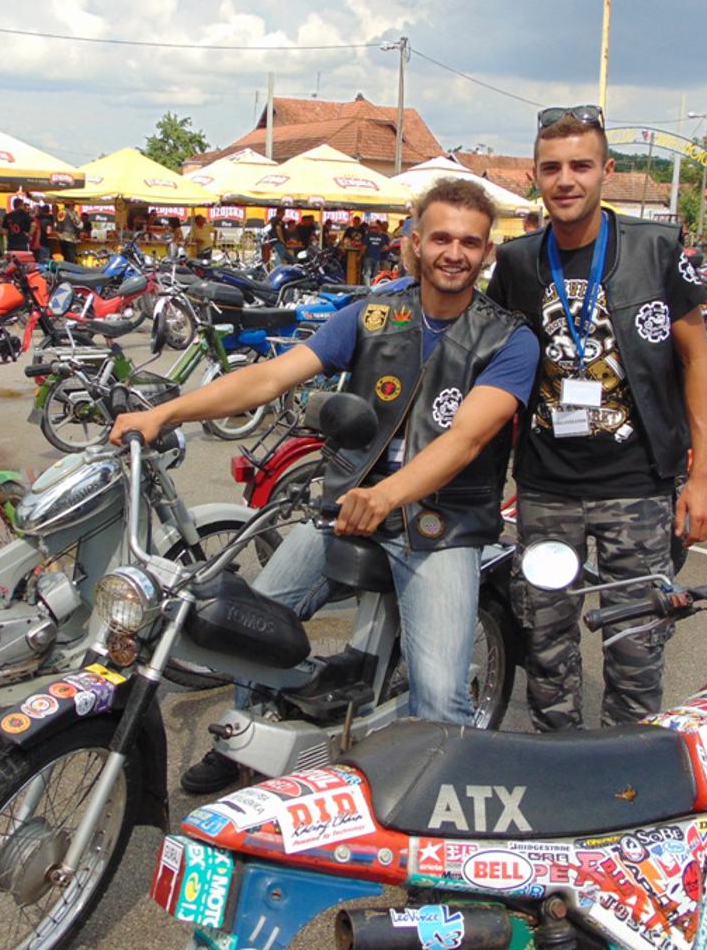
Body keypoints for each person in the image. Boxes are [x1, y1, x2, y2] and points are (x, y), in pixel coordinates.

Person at [111, 177, 540, 792]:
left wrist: (387, 495)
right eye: (441, 238)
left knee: (441, 699)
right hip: (347, 510)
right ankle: (244, 738)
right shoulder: (373, 315)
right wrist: (166, 413)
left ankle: (433, 813)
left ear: (488, 251)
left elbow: (466, 440)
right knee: (247, 627)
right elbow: (271, 376)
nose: (454, 253)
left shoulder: (509, 338)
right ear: (415, 242)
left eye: (470, 242)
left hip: (440, 525)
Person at [486, 104, 707, 732]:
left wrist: (704, 476)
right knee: (546, 642)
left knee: (637, 646)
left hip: (639, 486)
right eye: (551, 168)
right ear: (534, 176)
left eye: (581, 166)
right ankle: (557, 758)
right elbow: (490, 364)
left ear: (606, 171)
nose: (566, 180)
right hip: (547, 488)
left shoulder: (655, 249)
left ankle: (627, 768)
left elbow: (698, 360)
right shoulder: (516, 262)